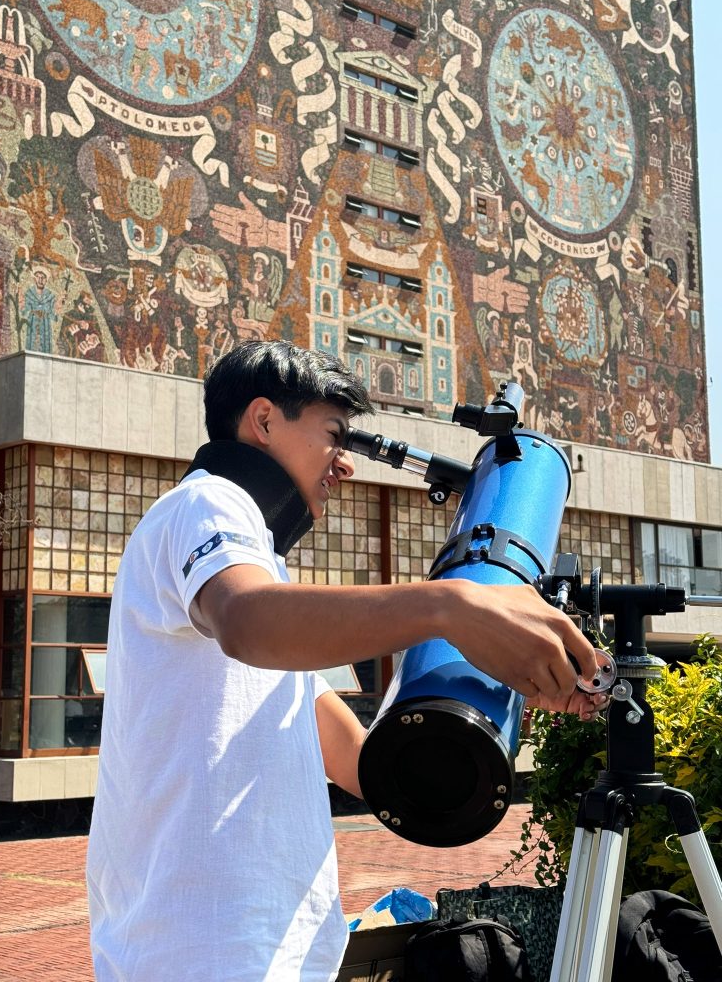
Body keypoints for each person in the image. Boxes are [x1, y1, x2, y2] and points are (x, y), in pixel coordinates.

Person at [86, 340, 604, 981]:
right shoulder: (207, 504)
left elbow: (367, 766)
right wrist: (451, 606)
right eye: (335, 436)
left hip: (275, 948)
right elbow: (248, 621)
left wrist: (505, 685)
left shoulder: (265, 572)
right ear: (264, 420)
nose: (345, 466)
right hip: (202, 948)